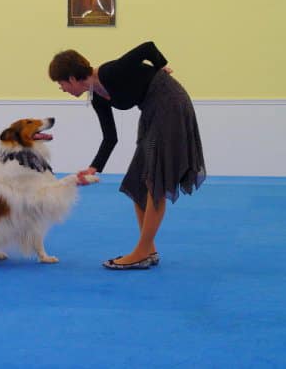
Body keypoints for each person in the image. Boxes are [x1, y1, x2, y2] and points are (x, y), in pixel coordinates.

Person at [48, 41, 206, 270]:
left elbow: (148, 48)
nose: (62, 88)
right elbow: (110, 137)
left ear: (72, 78)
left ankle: (142, 251)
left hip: (170, 103)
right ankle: (147, 249)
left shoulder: (110, 72)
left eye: (61, 83)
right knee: (137, 180)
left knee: (155, 180)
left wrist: (160, 68)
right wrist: (93, 168)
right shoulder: (98, 97)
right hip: (152, 111)